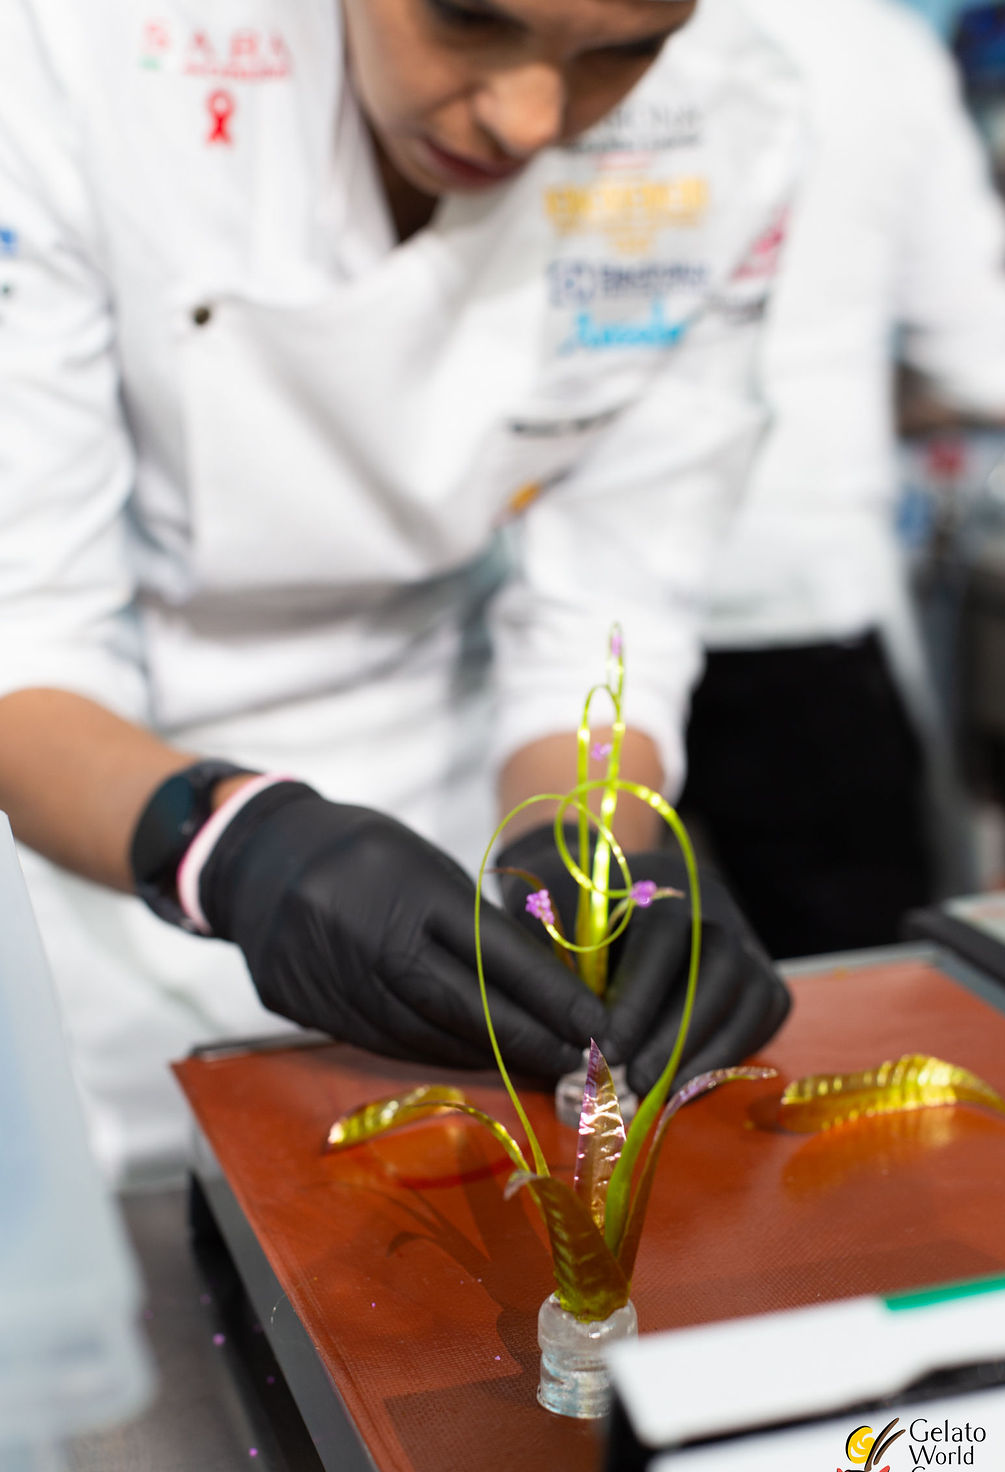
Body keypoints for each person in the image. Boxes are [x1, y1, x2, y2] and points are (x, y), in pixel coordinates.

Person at [0, 0, 799, 1185]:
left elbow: (605, 599)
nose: (529, 116)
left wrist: (593, 847)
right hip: (87, 832)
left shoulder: (727, 120)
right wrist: (232, 846)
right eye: (471, 19)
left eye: (623, 50)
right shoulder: (77, 56)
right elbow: (27, 629)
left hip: (442, 795)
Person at [680, 0, 1005, 960]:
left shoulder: (599, 35)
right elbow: (982, 356)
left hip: (581, 619)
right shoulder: (882, 52)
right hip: (793, 590)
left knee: (600, 1000)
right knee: (855, 983)